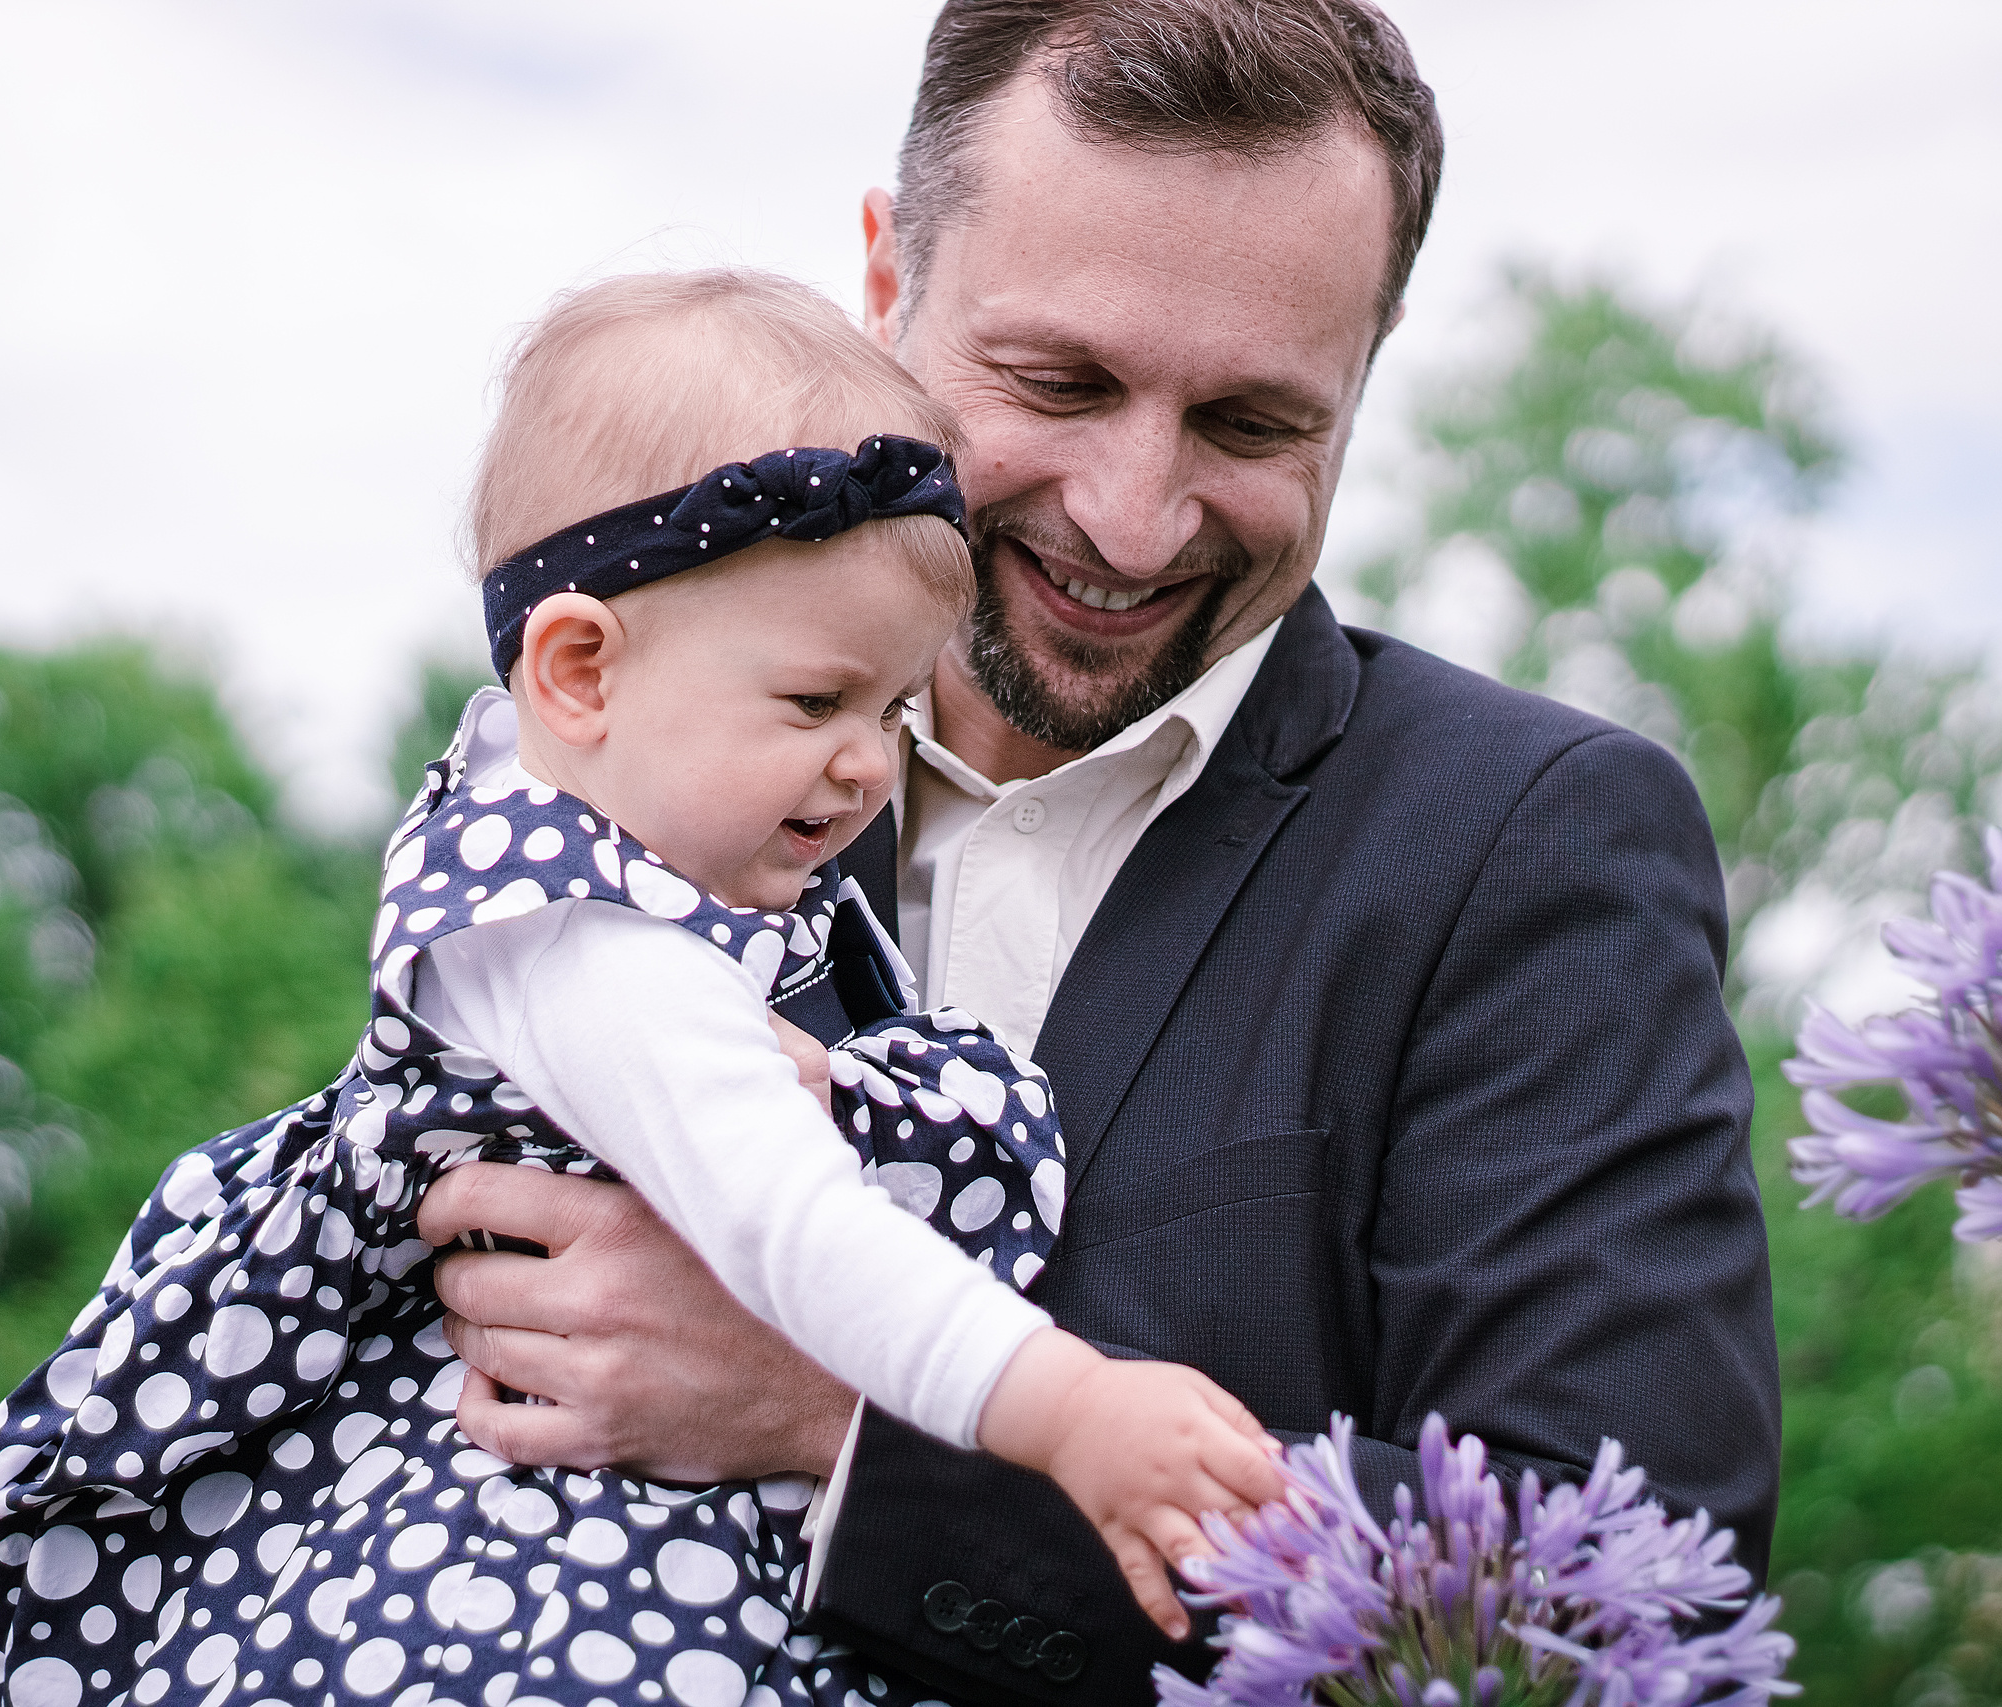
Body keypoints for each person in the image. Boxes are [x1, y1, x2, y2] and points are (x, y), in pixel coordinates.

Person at [420, 4, 1785, 1703]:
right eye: (1058, 385)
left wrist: (843, 1418)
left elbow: (1629, 1607)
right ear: (886, 279)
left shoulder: (1534, 846)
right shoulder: (635, 775)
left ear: (1366, 371)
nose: (1133, 520)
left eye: (1253, 424)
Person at [0, 271, 1284, 1707]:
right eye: (817, 701)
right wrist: (1071, 1410)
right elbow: (792, 1230)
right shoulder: (593, 950)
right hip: (539, 1585)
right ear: (580, 671)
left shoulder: (587, 857)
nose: (868, 763)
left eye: (895, 707)